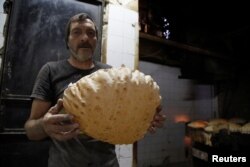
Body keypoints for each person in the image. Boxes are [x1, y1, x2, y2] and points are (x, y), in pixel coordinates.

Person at [24, 13, 166, 167]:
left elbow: (120, 117)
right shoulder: (51, 71)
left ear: (96, 40)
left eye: (91, 33)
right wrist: (44, 126)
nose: (85, 38)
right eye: (77, 32)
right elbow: (30, 130)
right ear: (67, 40)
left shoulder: (111, 75)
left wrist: (143, 116)